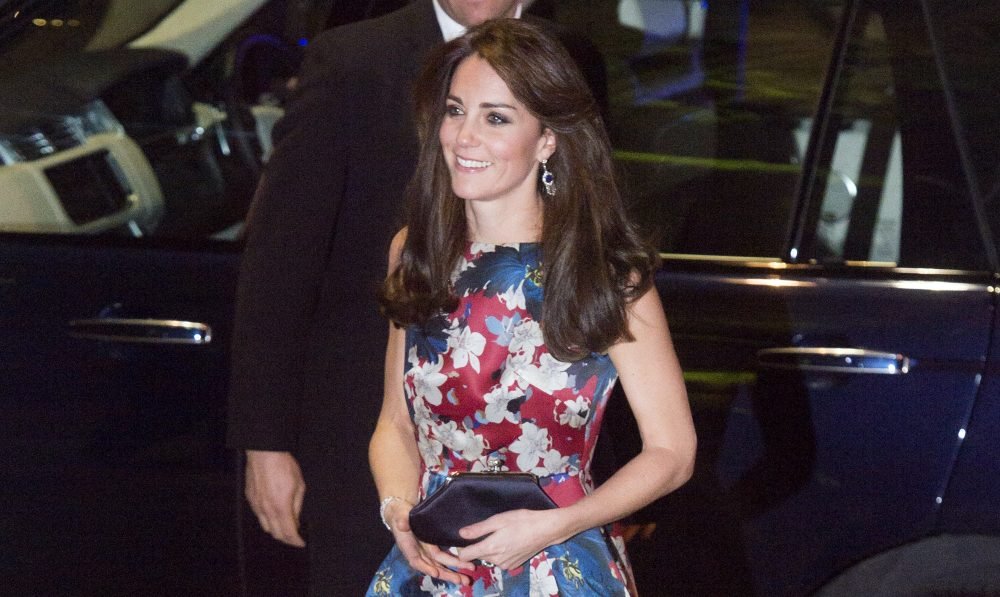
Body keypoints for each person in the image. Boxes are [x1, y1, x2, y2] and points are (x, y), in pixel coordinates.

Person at [225, 1, 608, 594]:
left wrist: (603, 498)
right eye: (455, 112)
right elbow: (281, 255)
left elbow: (591, 244)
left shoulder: (572, 56)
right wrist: (265, 440)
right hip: (368, 437)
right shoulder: (354, 59)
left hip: (540, 486)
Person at [367, 18, 696, 595]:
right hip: (438, 567)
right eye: (454, 110)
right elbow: (396, 422)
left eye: (496, 117)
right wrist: (397, 509)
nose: (464, 137)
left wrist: (556, 525)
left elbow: (673, 450)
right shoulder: (416, 250)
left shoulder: (605, 271)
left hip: (558, 563)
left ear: (548, 138)